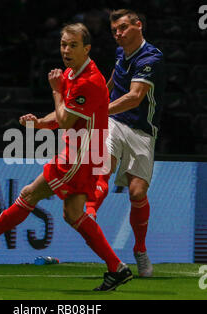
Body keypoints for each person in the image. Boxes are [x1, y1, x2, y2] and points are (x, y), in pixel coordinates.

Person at [0, 22, 133, 292]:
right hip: (80, 152)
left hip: (80, 156)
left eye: (73, 45)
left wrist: (56, 89)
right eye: (63, 44)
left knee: (30, 194)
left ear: (87, 49)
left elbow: (66, 118)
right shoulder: (72, 73)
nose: (66, 50)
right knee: (72, 214)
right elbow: (60, 118)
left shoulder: (89, 82)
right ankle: (117, 268)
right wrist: (40, 123)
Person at [85, 9, 165, 277]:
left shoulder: (151, 57)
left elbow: (134, 97)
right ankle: (89, 214)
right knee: (103, 166)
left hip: (142, 131)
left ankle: (140, 250)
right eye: (114, 31)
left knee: (137, 193)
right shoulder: (121, 54)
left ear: (138, 26)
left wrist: (99, 110)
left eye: (122, 28)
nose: (117, 34)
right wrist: (98, 100)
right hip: (114, 123)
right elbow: (113, 83)